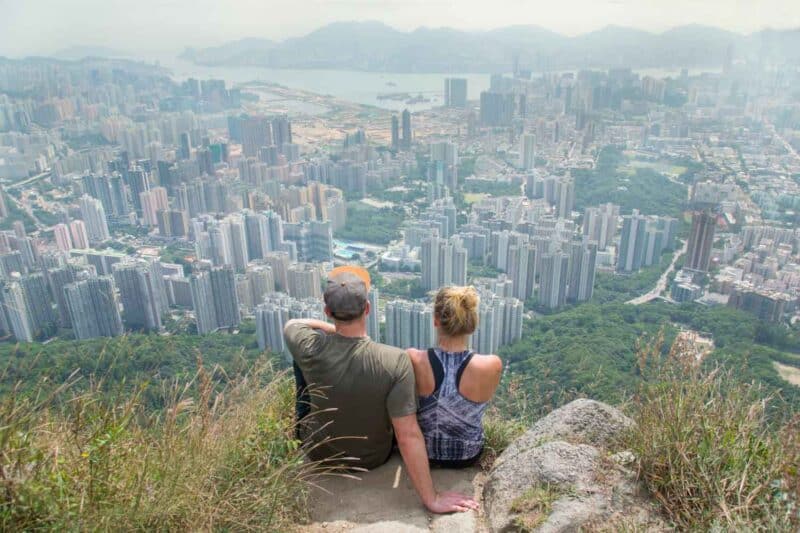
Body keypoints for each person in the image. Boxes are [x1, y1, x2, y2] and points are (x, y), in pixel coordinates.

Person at [283, 266, 478, 514]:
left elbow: (293, 324)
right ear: (367, 308)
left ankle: (301, 430)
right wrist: (432, 498)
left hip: (319, 453)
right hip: (372, 458)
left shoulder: (310, 346)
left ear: (327, 311)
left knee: (300, 359)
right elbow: (407, 434)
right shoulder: (395, 360)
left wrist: (334, 331)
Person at [406, 286, 503, 468]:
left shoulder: (414, 359)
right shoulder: (491, 365)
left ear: (436, 321)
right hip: (468, 455)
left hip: (424, 453)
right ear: (472, 324)